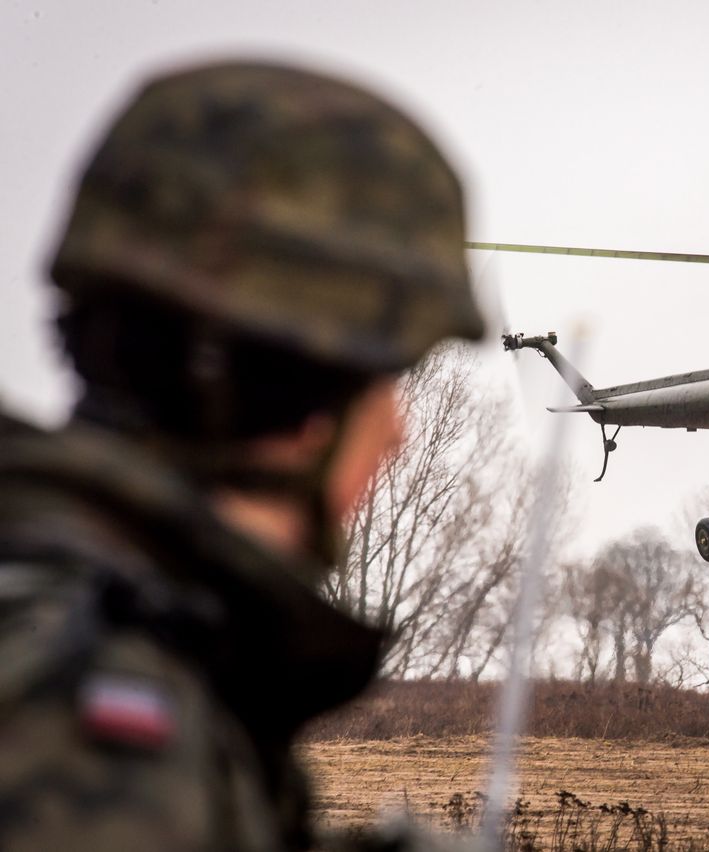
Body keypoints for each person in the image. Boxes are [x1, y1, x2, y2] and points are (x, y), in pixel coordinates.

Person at [0, 61, 484, 850]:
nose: (397, 432)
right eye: (384, 382)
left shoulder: (94, 626)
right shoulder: (98, 726)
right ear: (303, 409)